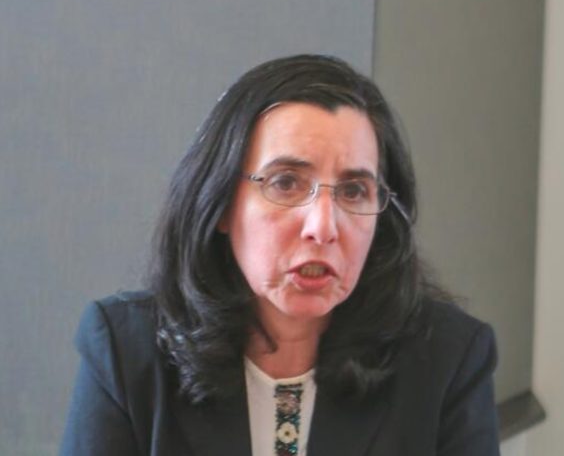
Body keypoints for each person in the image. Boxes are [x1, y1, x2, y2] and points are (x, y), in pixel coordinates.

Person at [60, 54, 500, 456]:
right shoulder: (126, 351)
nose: (323, 227)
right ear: (221, 204)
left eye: (353, 191)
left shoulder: (448, 358)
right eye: (286, 183)